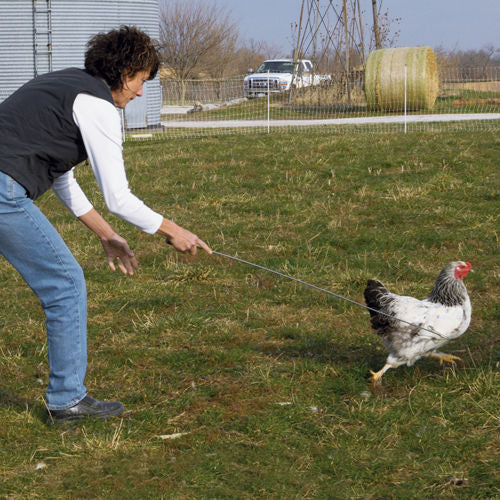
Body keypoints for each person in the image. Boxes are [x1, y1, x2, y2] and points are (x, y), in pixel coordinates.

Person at [0, 26, 211, 424]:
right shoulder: (97, 105)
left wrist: (107, 236)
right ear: (125, 71)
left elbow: (61, 176)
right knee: (64, 284)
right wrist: (172, 229)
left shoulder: (63, 85)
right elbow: (118, 197)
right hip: (3, 190)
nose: (140, 93)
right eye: (141, 81)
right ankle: (66, 401)